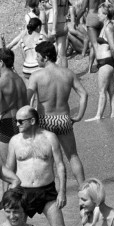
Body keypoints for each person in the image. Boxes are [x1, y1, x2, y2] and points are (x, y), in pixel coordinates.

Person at [6, 106, 77, 226]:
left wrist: (62, 192)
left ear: (32, 121)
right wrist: (7, 197)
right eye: (15, 121)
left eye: (20, 121)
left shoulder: (50, 137)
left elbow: (60, 165)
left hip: (47, 192)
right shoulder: (15, 141)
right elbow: (9, 171)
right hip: (22, 192)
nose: (17, 124)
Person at [27, 41, 87, 185]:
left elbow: (26, 101)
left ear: (46, 57)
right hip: (63, 119)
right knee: (72, 155)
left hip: (45, 121)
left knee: (47, 159)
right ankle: (83, 188)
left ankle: (52, 192)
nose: (36, 59)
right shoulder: (68, 73)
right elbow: (84, 94)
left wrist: (29, 122)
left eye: (38, 56)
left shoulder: (36, 76)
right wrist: (79, 116)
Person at [0, 48, 28, 163]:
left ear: (1, 63)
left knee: (8, 166)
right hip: (22, 121)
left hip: (7, 123)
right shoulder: (20, 80)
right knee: (22, 163)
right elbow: (26, 104)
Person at [85, 3, 114, 122]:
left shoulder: (109, 28)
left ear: (105, 15)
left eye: (99, 13)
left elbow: (113, 47)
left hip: (106, 62)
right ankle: (113, 115)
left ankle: (98, 115)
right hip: (105, 62)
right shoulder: (106, 26)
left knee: (102, 91)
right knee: (111, 90)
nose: (98, 15)